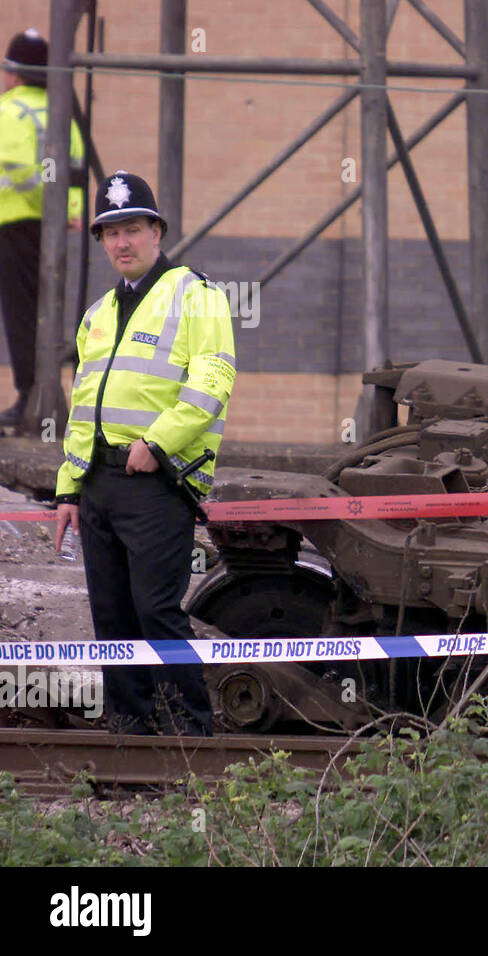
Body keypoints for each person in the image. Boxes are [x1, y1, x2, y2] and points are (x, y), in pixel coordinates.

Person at [53, 170, 236, 736]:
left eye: (132, 229)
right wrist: (68, 487)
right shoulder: (98, 313)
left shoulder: (196, 294)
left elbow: (213, 381)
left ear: (156, 232)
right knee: (112, 617)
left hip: (157, 484)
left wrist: (159, 444)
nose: (121, 243)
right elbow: (84, 408)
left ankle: (191, 731)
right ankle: (131, 730)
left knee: (157, 611)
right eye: (110, 234)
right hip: (99, 487)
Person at [0, 27, 84, 428]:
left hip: (15, 225)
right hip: (51, 232)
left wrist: (42, 206)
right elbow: (78, 169)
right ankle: (45, 394)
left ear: (14, 74)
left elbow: (18, 172)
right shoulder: (61, 113)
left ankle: (29, 398)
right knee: (45, 311)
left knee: (20, 313)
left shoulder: (9, 110)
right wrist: (69, 211)